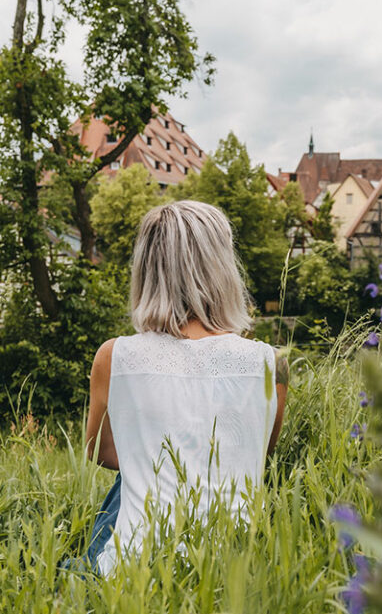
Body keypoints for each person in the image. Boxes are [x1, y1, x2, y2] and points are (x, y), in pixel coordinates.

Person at [83, 200, 288, 575]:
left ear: (146, 271)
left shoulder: (113, 356)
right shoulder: (271, 363)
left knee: (130, 476)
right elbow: (254, 456)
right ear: (223, 269)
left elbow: (100, 452)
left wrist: (159, 458)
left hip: (135, 569)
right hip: (233, 562)